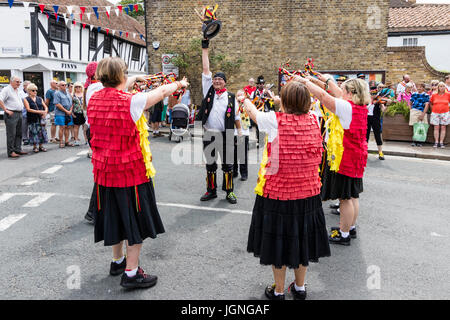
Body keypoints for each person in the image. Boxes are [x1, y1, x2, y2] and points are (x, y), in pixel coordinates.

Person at [87, 57, 188, 289]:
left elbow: (115, 86)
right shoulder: (132, 101)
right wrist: (179, 84)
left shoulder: (92, 96)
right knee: (134, 221)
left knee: (115, 218)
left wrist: (135, 79)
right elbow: (162, 91)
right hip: (130, 175)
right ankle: (131, 274)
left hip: (104, 173)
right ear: (122, 76)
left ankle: (117, 261)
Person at [239, 80, 330, 300]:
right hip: (308, 193)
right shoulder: (315, 119)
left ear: (285, 101)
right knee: (302, 241)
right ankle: (299, 288)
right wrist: (284, 99)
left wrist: (244, 98)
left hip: (278, 195)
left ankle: (279, 291)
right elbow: (296, 107)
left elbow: (252, 112)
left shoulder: (273, 120)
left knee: (278, 243)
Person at [297, 76, 371, 246]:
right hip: (355, 157)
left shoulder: (346, 107)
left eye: (343, 89)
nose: (340, 90)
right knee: (352, 196)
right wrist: (319, 78)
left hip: (345, 158)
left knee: (345, 198)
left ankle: (343, 235)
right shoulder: (360, 106)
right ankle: (350, 228)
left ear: (350, 93)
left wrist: (304, 82)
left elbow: (324, 96)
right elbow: (334, 91)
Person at [195, 37, 241, 204]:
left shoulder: (231, 97)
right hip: (210, 135)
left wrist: (240, 132)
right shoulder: (209, 91)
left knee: (228, 166)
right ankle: (211, 191)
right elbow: (206, 68)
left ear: (225, 82)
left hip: (226, 135)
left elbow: (236, 117)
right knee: (210, 166)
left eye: (220, 79)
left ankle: (229, 192)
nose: (216, 80)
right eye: (215, 79)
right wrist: (205, 46)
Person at [0, 76, 28, 158]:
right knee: (11, 133)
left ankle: (18, 149)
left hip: (19, 113)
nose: (19, 83)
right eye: (17, 82)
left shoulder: (17, 90)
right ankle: (11, 151)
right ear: (11, 81)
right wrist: (5, 110)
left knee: (19, 133)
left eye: (20, 82)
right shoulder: (6, 89)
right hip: (11, 114)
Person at [367, 83, 392, 160]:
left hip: (376, 119)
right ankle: (364, 152)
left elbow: (383, 109)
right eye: (372, 94)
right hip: (366, 118)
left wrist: (387, 103)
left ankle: (380, 152)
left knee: (377, 135)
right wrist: (370, 103)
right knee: (365, 136)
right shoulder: (366, 100)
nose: (373, 95)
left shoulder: (379, 100)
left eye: (374, 94)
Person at [23, 83, 48, 153]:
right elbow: (28, 109)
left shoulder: (39, 98)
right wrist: (39, 111)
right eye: (33, 90)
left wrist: (45, 112)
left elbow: (45, 106)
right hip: (32, 118)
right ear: (29, 91)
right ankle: (35, 147)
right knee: (33, 132)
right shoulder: (26, 99)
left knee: (42, 131)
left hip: (40, 118)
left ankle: (41, 146)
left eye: (36, 90)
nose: (35, 92)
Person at [233, 89, 250, 181]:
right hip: (234, 132)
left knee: (242, 154)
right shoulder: (232, 104)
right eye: (238, 95)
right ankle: (234, 172)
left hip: (244, 132)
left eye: (241, 94)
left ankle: (244, 174)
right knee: (233, 154)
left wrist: (243, 102)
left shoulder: (247, 104)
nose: (239, 96)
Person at [54, 81, 74, 148]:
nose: (64, 86)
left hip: (68, 113)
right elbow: (57, 104)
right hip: (60, 113)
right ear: (59, 86)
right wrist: (66, 111)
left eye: (65, 85)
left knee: (68, 127)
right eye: (62, 85)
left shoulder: (68, 93)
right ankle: (61, 142)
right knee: (62, 127)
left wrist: (70, 110)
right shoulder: (57, 93)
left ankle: (66, 141)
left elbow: (71, 103)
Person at [429, 82, 450, 148]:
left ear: (445, 87)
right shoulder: (434, 95)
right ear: (438, 87)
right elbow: (431, 103)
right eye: (440, 86)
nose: (442, 88)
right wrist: (433, 110)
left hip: (445, 113)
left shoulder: (448, 95)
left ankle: (441, 142)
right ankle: (436, 142)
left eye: (443, 86)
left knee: (443, 127)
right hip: (435, 113)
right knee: (436, 127)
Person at [71, 82, 85, 146]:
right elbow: (70, 105)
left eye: (79, 87)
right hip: (76, 112)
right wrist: (72, 113)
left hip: (84, 112)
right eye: (76, 87)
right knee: (76, 126)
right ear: (74, 88)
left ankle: (86, 140)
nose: (78, 88)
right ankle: (76, 140)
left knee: (85, 127)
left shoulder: (84, 94)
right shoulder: (72, 95)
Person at [20, 81, 31, 146]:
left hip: (32, 111)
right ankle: (25, 138)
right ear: (24, 86)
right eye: (28, 85)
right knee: (24, 125)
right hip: (24, 112)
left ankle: (31, 137)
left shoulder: (31, 92)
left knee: (32, 125)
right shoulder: (20, 93)